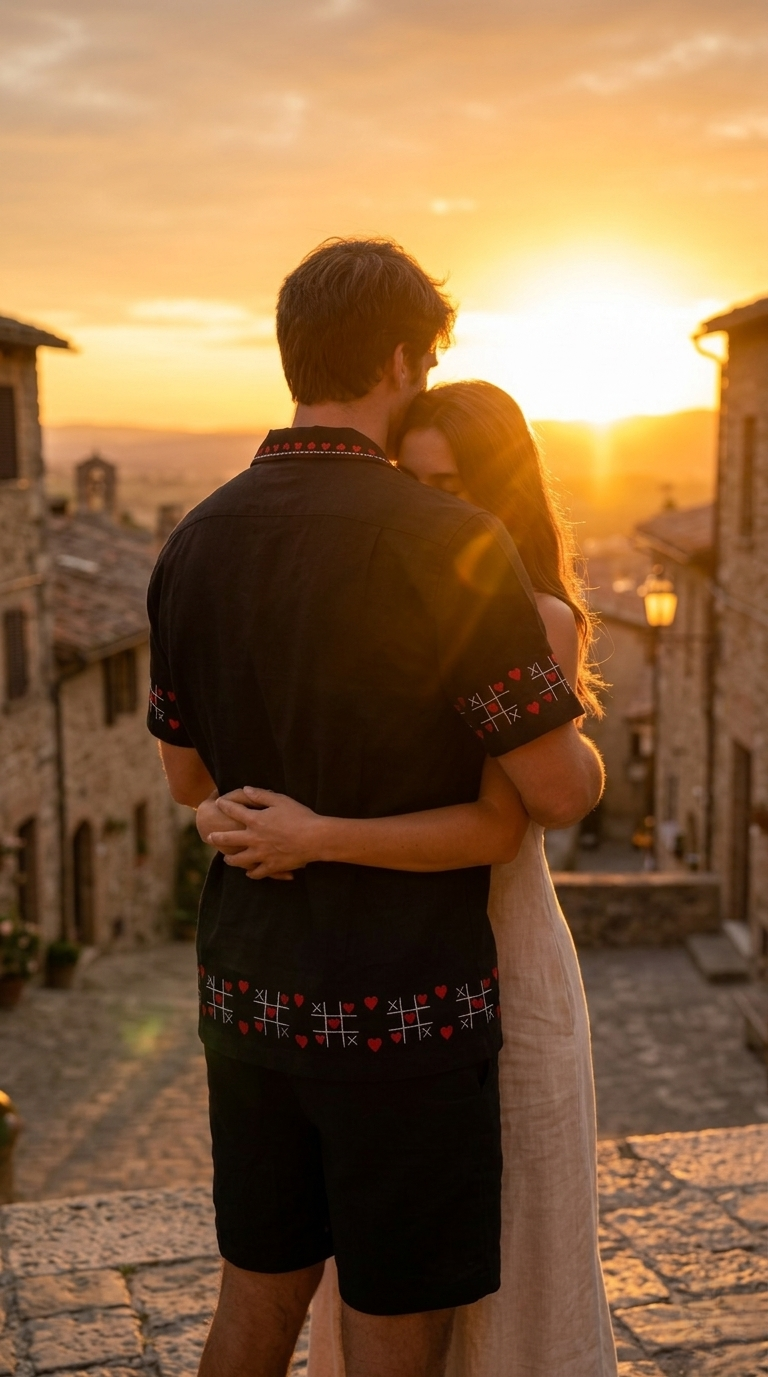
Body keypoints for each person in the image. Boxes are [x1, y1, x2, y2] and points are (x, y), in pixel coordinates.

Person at [148, 239, 603, 1377]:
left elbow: (189, 784)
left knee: (255, 1302)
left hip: (248, 991)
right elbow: (545, 794)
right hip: (405, 1008)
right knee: (394, 1326)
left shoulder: (193, 541)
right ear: (401, 358)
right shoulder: (453, 543)